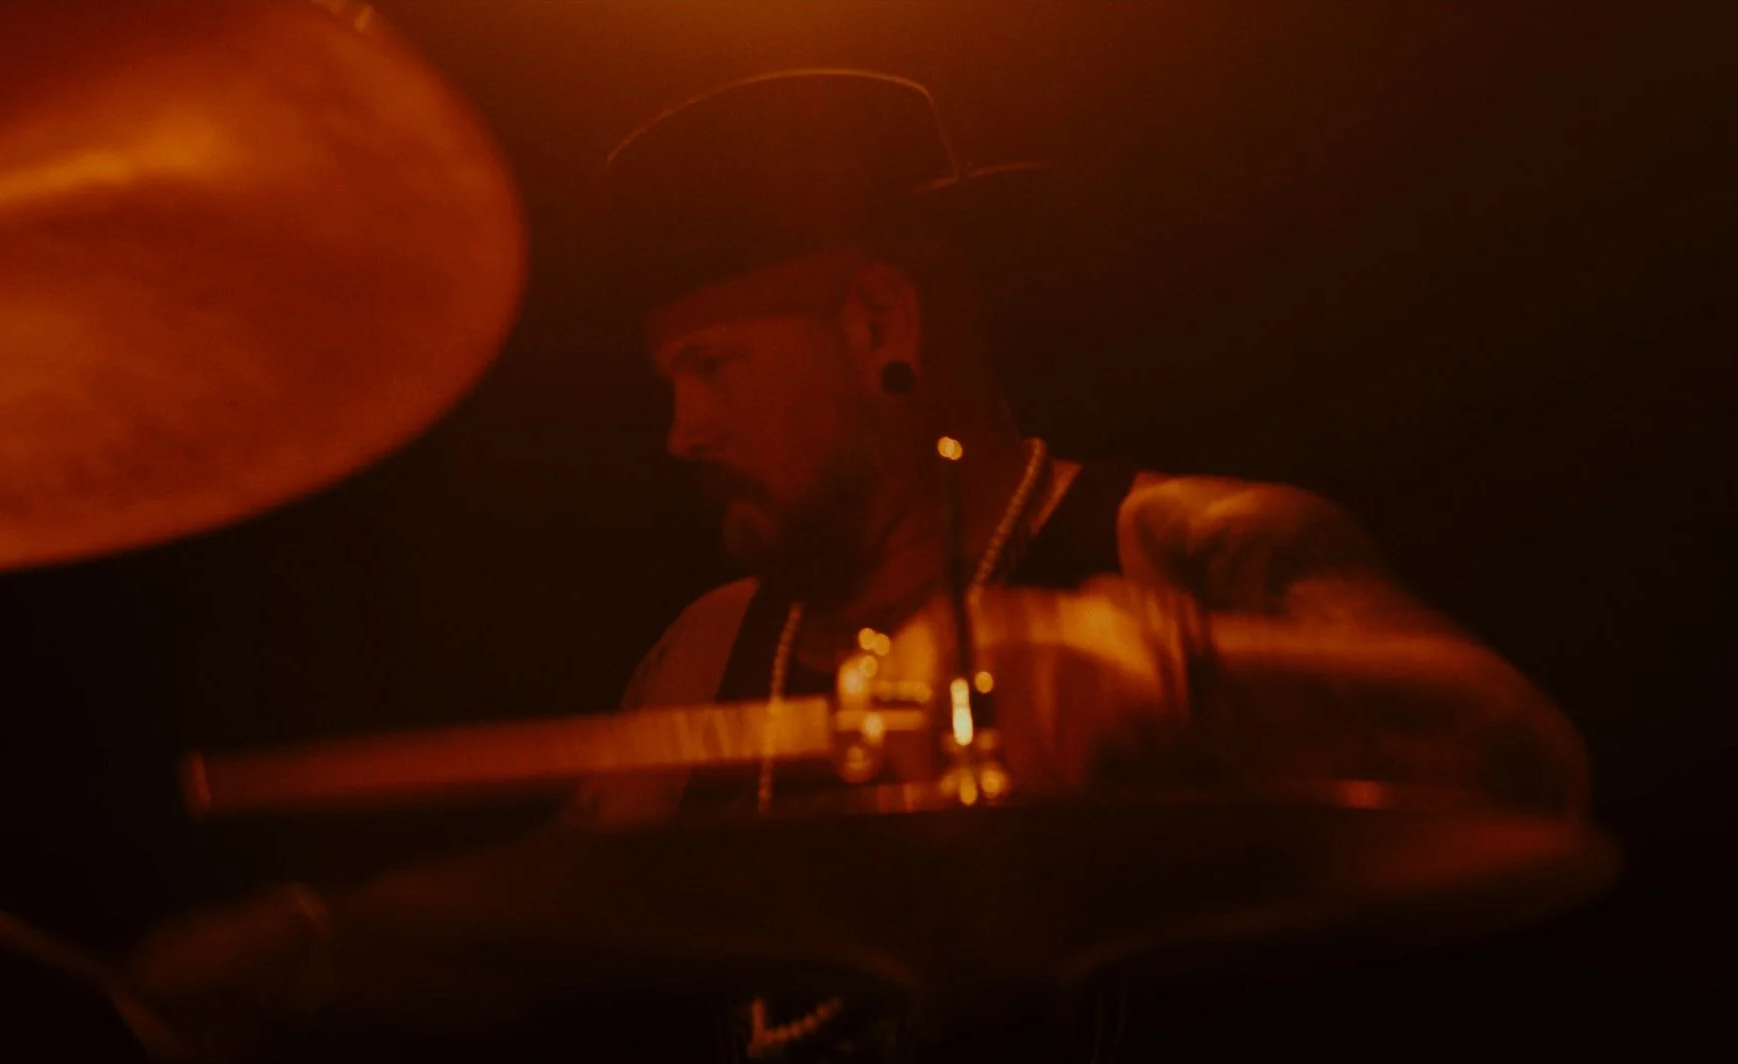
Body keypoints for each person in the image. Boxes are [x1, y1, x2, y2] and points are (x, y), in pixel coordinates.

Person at [124, 70, 1590, 1064]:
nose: (679, 432)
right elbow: (556, 932)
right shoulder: (704, 656)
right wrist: (332, 948)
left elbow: (1520, 750)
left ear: (882, 323)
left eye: (709, 368)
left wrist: (1168, 672)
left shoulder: (1190, 542)